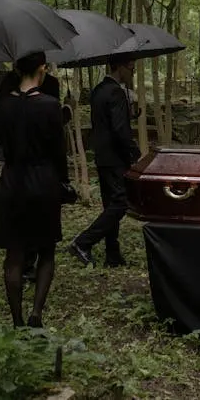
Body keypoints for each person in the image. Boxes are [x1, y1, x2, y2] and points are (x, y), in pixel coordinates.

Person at [0, 51, 69, 328]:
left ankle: (17, 319)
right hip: (43, 181)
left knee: (14, 253)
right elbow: (60, 152)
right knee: (46, 250)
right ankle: (36, 312)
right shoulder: (49, 106)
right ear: (42, 69)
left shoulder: (1, 105)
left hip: (12, 182)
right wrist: (64, 181)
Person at [69, 54, 141, 268]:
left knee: (111, 204)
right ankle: (83, 242)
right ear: (121, 67)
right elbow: (119, 130)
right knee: (120, 204)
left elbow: (106, 122)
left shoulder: (99, 90)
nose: (133, 73)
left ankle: (113, 254)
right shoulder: (116, 92)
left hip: (102, 156)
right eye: (131, 68)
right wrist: (134, 153)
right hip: (116, 157)